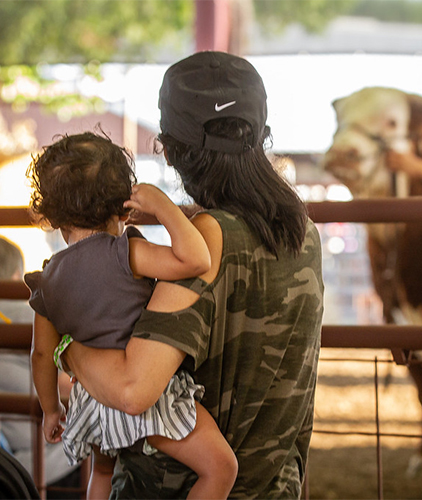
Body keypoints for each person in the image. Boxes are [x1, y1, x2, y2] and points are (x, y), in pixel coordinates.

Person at [59, 51, 324, 499]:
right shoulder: (303, 231)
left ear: (173, 148)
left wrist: (69, 351)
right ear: (261, 134)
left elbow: (132, 390)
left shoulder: (208, 240)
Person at [24, 131, 237, 500]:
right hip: (147, 399)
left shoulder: (46, 282)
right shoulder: (125, 253)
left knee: (101, 476)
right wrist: (163, 206)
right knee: (221, 467)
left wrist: (51, 410)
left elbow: (42, 355)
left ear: (54, 216)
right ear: (125, 208)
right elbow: (196, 259)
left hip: (92, 403)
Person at [0, 236, 80, 494]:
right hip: (49, 458)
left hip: (10, 462)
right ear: (15, 276)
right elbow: (67, 383)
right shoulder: (23, 315)